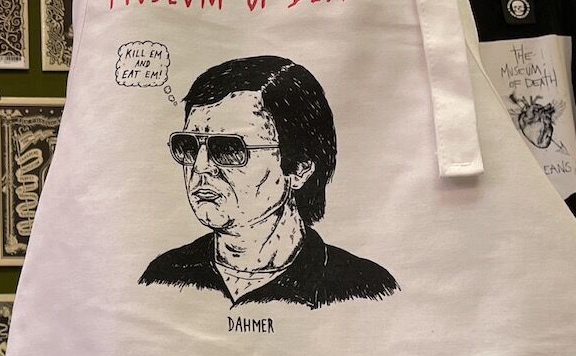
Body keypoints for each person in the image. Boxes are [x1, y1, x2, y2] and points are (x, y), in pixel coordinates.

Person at [139, 55, 397, 308]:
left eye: (229, 149)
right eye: (188, 146)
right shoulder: (165, 275)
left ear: (299, 168)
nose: (201, 166)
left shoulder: (363, 288)